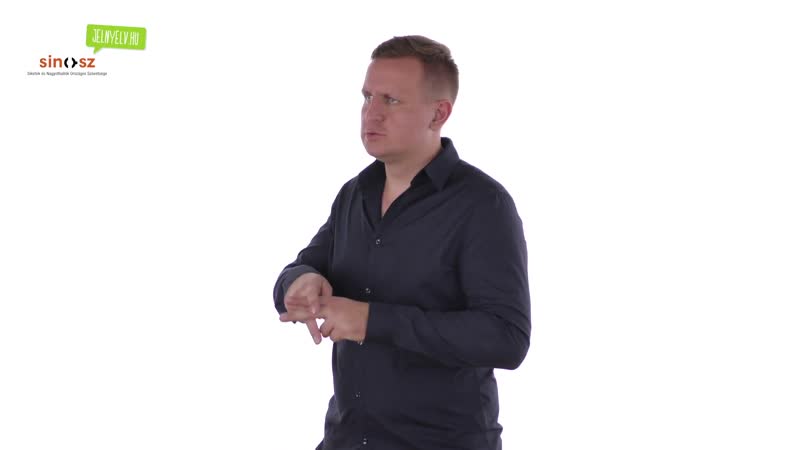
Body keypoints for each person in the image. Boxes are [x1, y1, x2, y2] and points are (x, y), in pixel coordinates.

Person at [273, 35, 531, 450]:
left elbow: (506, 338)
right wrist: (299, 283)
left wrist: (373, 321)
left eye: (391, 100)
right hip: (346, 439)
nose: (371, 113)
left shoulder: (484, 205)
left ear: (438, 114)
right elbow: (304, 266)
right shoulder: (354, 193)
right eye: (367, 97)